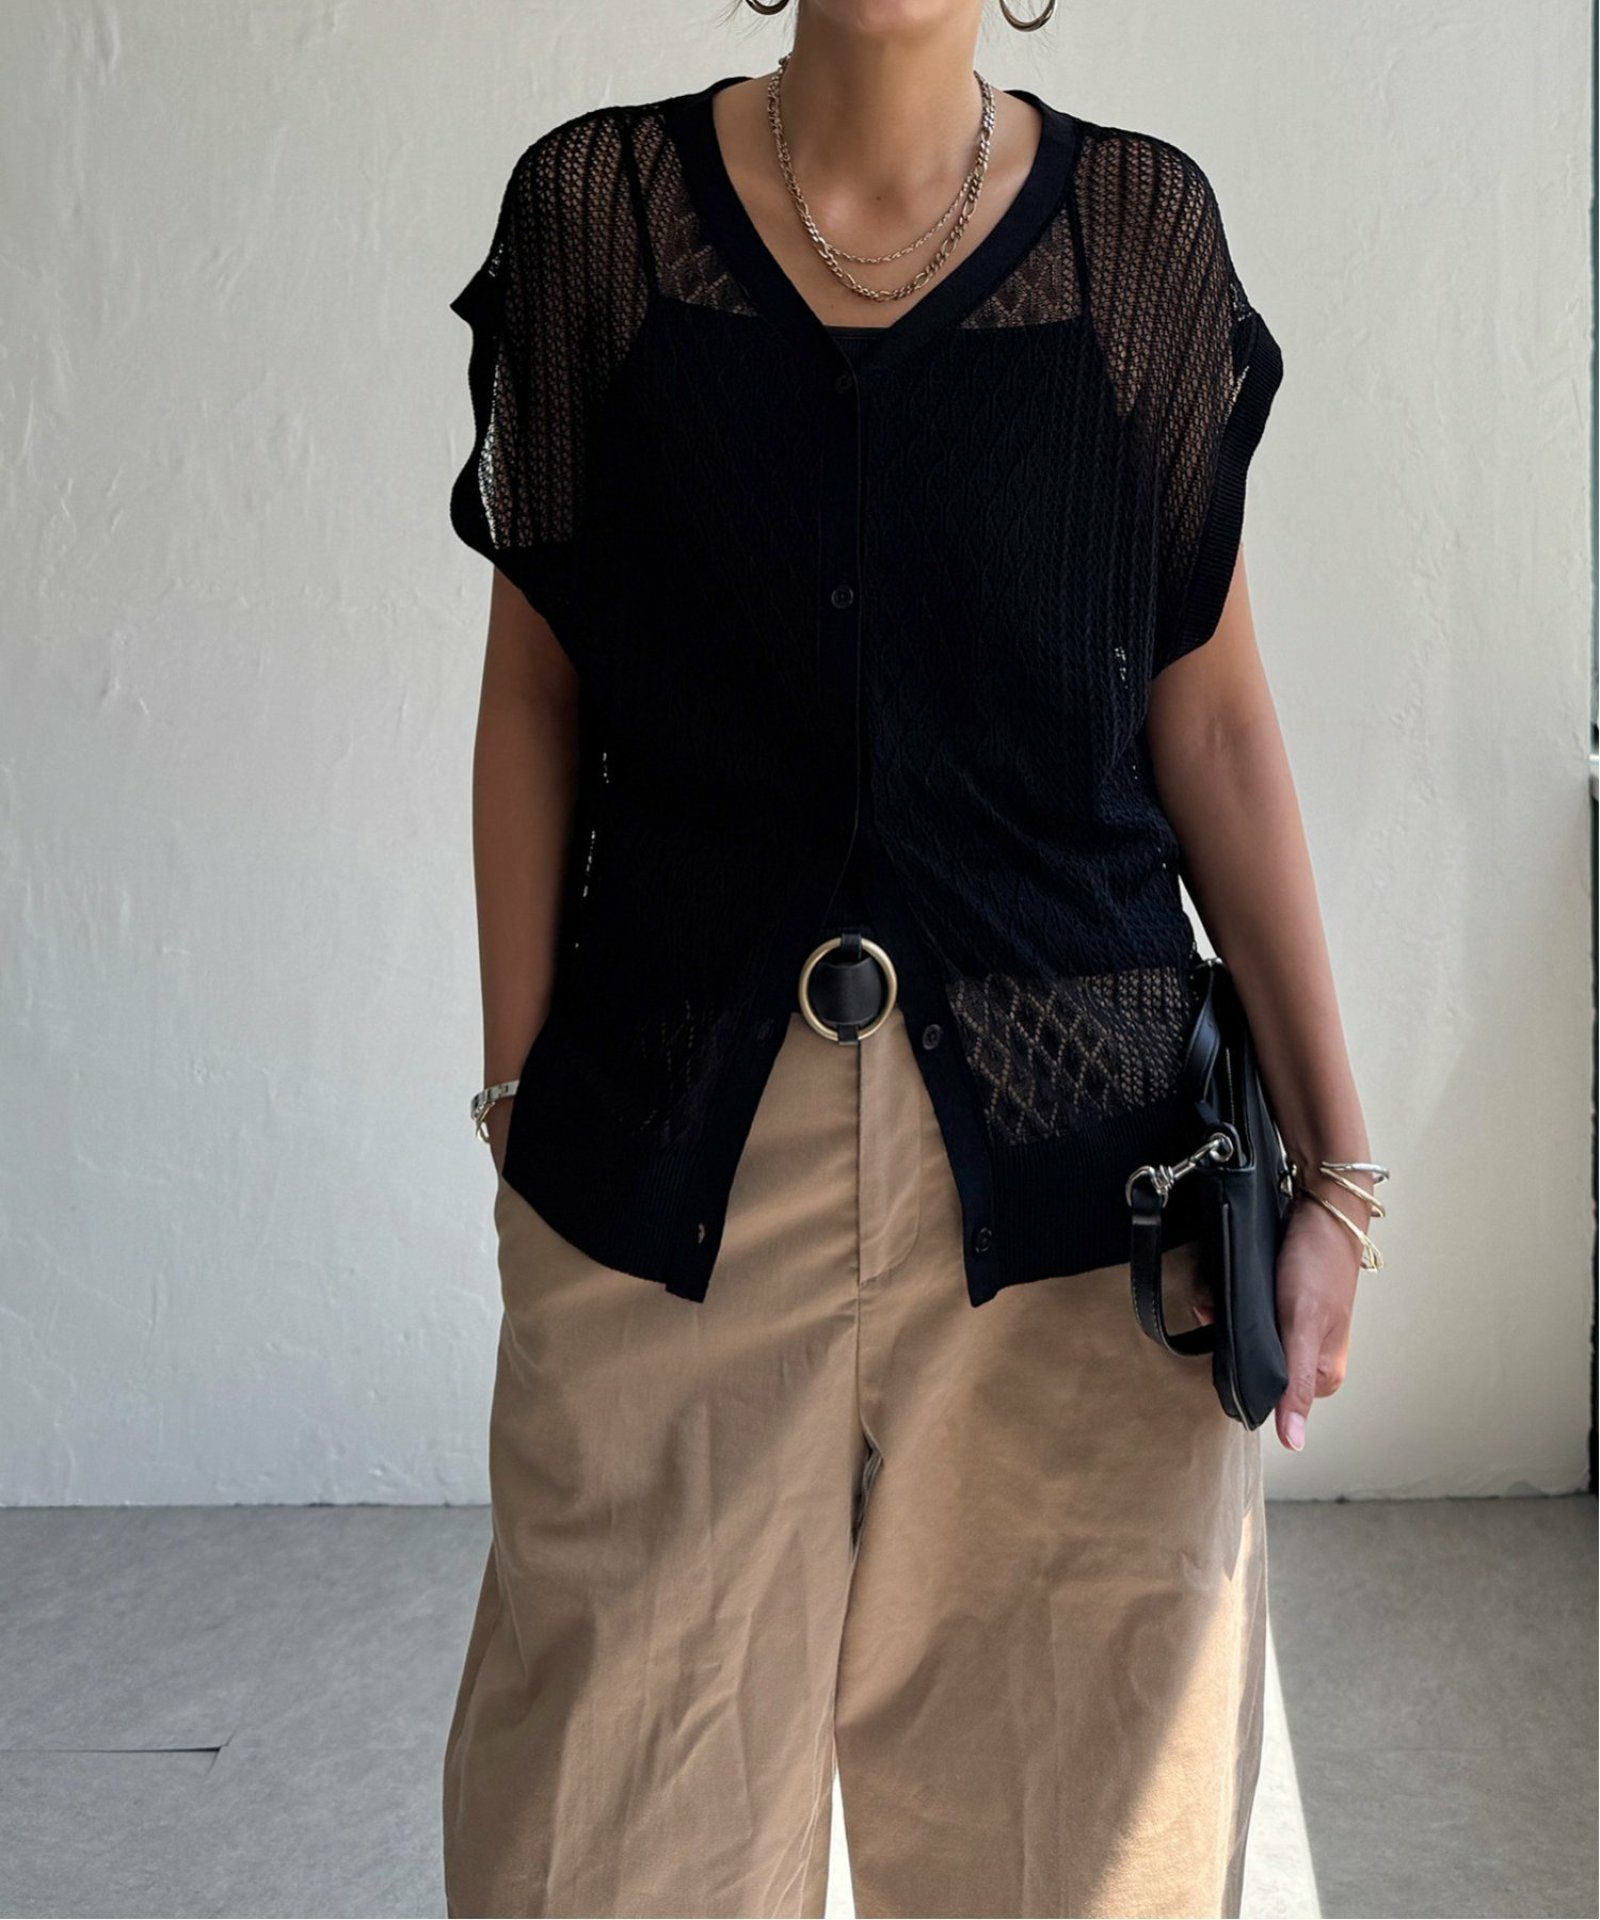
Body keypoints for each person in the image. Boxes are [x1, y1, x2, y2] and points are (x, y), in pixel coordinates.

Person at [440, 3, 1379, 1915]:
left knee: (1080, 1847)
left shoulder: (1135, 241)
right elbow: (537, 687)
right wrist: (521, 1099)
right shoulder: (600, 219)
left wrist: (1339, 1172)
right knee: (605, 1841)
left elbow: (1212, 726)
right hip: (667, 1181)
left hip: (1085, 1214)